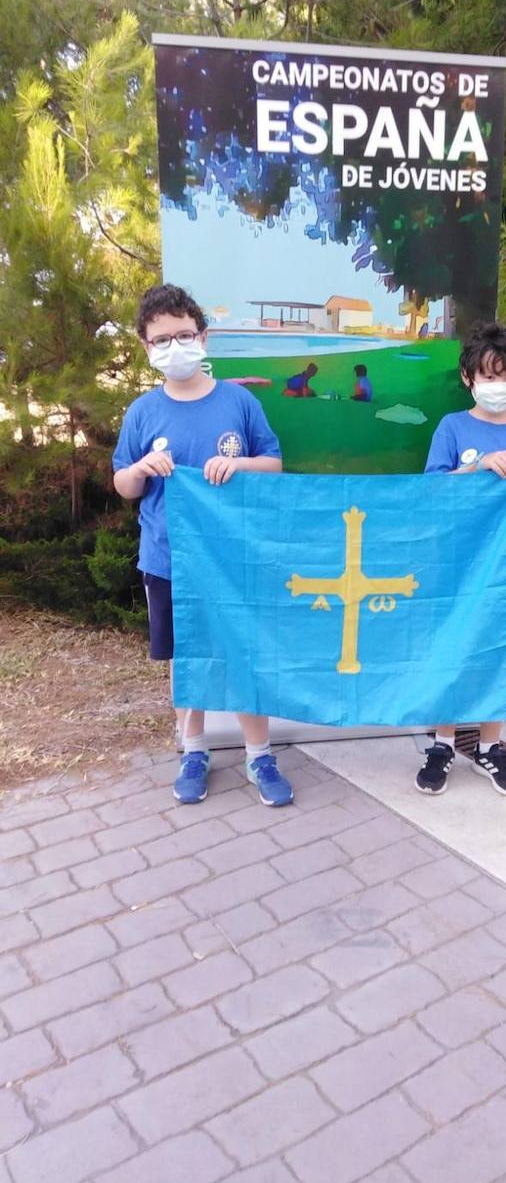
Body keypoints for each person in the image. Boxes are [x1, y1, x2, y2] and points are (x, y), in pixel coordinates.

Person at [113, 283, 294, 808]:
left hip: (233, 556)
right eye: (161, 340)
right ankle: (193, 750)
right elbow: (123, 484)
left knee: (242, 651)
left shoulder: (238, 402)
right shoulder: (142, 412)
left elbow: (274, 465)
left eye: (184, 335)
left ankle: (259, 755)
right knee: (185, 657)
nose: (174, 347)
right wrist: (142, 469)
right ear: (147, 347)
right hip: (168, 559)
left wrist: (238, 465)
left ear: (203, 337)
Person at [416, 320, 506, 798]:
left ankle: (490, 747)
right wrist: (476, 466)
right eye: (491, 376)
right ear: (469, 377)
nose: (501, 385)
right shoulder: (453, 427)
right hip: (460, 568)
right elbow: (433, 490)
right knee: (453, 651)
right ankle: (442, 743)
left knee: (500, 658)